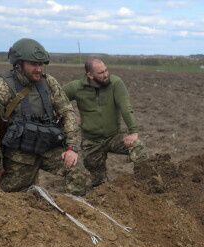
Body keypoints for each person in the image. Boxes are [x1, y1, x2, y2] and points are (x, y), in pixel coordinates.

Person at [0, 38, 85, 195]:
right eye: (33, 64)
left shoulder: (49, 82)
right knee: (11, 197)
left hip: (48, 146)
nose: (39, 69)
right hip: (19, 154)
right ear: (19, 64)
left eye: (41, 64)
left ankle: (73, 210)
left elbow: (67, 112)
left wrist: (72, 148)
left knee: (75, 169)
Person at [63, 58, 148, 188]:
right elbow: (57, 99)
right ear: (90, 75)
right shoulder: (76, 87)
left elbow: (125, 107)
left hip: (114, 136)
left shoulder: (115, 83)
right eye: (101, 72)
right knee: (99, 183)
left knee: (138, 146)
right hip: (91, 142)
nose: (106, 74)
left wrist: (133, 131)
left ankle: (146, 184)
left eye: (106, 70)